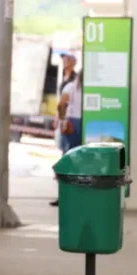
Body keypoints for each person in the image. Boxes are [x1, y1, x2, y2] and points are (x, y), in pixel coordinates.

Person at [51, 63, 82, 207]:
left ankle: (64, 195)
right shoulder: (86, 89)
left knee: (68, 159)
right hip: (84, 123)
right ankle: (77, 195)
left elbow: (61, 104)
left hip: (71, 125)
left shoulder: (70, 87)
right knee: (81, 161)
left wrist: (63, 119)